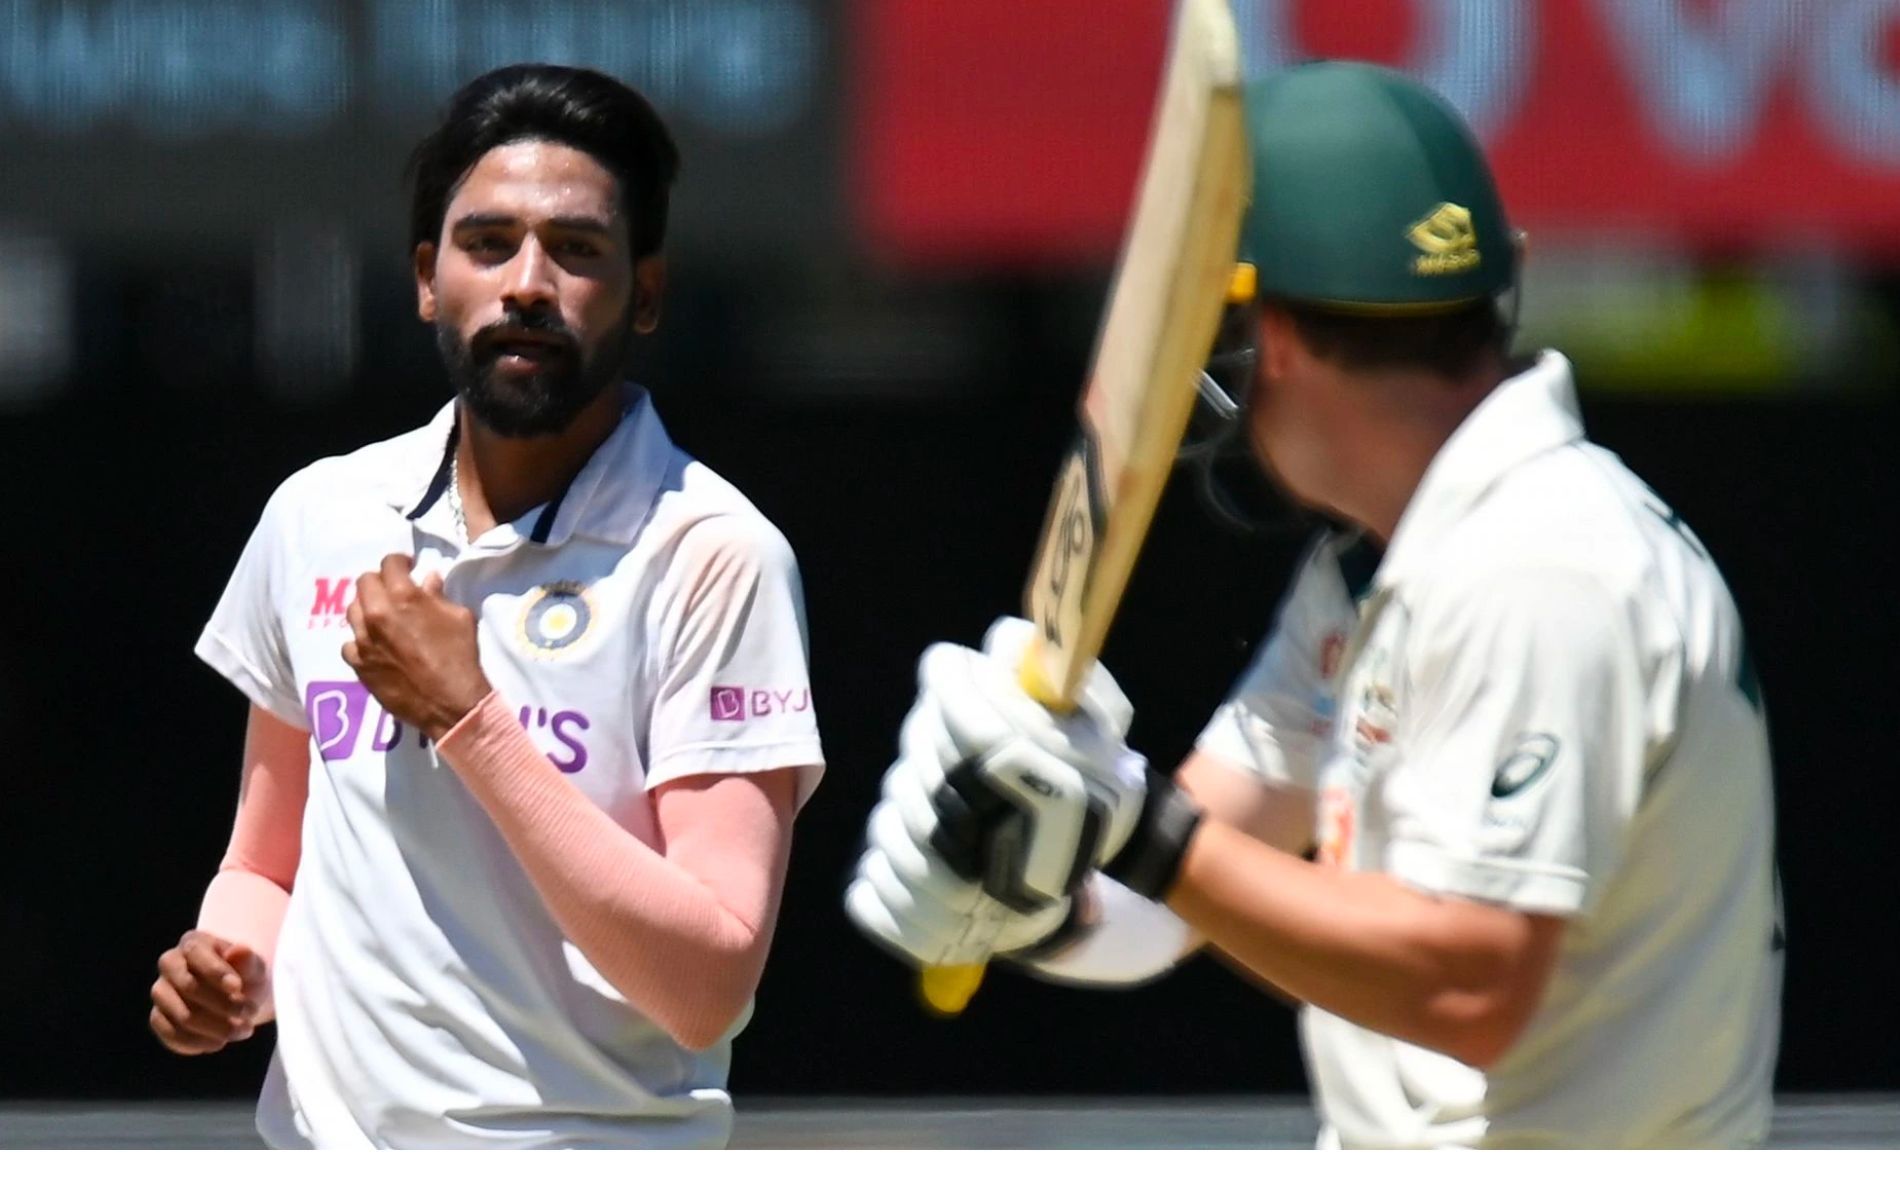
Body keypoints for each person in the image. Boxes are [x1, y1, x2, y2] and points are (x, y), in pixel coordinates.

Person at [846, 60, 1781, 1149]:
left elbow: (1468, 988)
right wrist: (1039, 886)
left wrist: (1130, 825)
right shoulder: (1371, 569)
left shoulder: (1543, 568)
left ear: (1272, 338)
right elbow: (1177, 901)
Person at [147, 64, 824, 1149]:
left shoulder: (713, 555)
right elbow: (265, 869)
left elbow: (706, 983)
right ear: (426, 277)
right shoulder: (321, 514)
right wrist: (232, 966)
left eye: (578, 249)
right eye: (488, 243)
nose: (527, 283)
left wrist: (470, 722)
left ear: (646, 293)